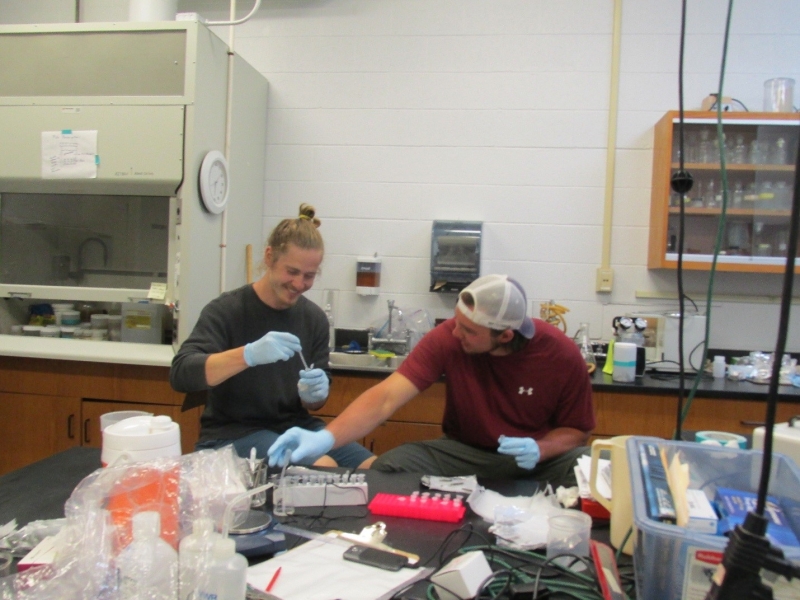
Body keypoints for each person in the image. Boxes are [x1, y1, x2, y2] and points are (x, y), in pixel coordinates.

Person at [267, 274, 595, 488]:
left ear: (505, 335)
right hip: (463, 453)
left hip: (533, 461)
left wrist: (541, 449)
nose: (455, 332)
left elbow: (577, 432)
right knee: (389, 467)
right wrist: (324, 439)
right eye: (456, 321)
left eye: (468, 330)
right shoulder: (449, 338)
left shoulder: (560, 355)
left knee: (591, 467)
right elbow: (386, 397)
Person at [169, 204, 374, 469]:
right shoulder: (227, 310)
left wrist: (314, 394)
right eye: (292, 272)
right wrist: (247, 355)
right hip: (233, 433)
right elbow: (181, 374)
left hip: (296, 427)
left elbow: (314, 405)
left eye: (309, 275)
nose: (299, 284)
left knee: (373, 469)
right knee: (323, 467)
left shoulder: (313, 319)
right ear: (269, 256)